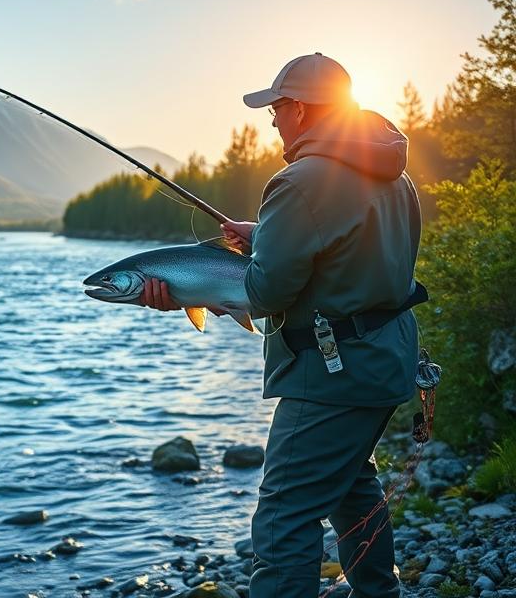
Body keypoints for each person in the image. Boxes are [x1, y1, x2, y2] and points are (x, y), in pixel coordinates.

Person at [141, 52, 422, 598]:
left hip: (332, 374)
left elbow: (265, 295)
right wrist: (265, 238)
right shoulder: (394, 173)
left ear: (300, 108)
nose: (271, 119)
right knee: (351, 487)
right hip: (386, 358)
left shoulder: (299, 181)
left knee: (283, 518)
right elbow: (349, 254)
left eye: (275, 108)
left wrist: (182, 294)